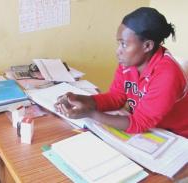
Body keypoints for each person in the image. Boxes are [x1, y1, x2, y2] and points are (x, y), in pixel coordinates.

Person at [55, 7, 188, 138]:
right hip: (152, 131)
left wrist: (91, 113)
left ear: (147, 46)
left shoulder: (167, 75)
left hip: (178, 139)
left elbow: (139, 123)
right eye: (118, 44)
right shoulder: (129, 63)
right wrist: (78, 99)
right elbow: (116, 97)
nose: (118, 51)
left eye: (124, 44)